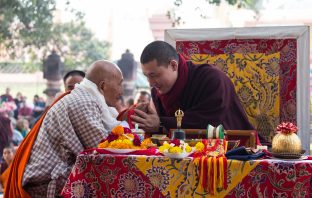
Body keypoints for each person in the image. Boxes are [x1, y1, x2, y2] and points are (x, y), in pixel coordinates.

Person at [4, 60, 129, 198]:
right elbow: (104, 151)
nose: (121, 90)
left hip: (55, 178)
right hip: (44, 185)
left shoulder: (87, 99)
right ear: (103, 86)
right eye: (120, 84)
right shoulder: (83, 103)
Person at [131, 40, 254, 134]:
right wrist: (146, 117)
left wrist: (160, 123)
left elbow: (207, 123)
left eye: (154, 75)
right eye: (147, 76)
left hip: (232, 152)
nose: (150, 83)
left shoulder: (211, 79)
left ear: (174, 65)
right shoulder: (157, 91)